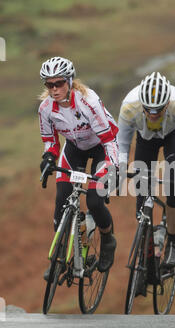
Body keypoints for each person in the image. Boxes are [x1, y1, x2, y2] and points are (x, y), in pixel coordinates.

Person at [38, 56, 119, 279]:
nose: (54, 89)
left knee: (94, 200)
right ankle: (60, 258)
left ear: (70, 81)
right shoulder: (46, 108)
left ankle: (107, 238)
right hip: (74, 147)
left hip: (102, 146)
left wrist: (112, 169)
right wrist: (48, 158)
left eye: (59, 83)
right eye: (49, 84)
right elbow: (51, 141)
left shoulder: (88, 102)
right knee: (61, 200)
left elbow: (109, 140)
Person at [117, 72, 175, 269]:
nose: (154, 113)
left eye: (159, 109)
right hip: (145, 140)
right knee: (141, 200)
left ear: (167, 103)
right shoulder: (129, 106)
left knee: (174, 189)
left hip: (173, 136)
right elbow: (122, 144)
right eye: (149, 109)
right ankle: (146, 246)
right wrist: (119, 170)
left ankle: (173, 239)